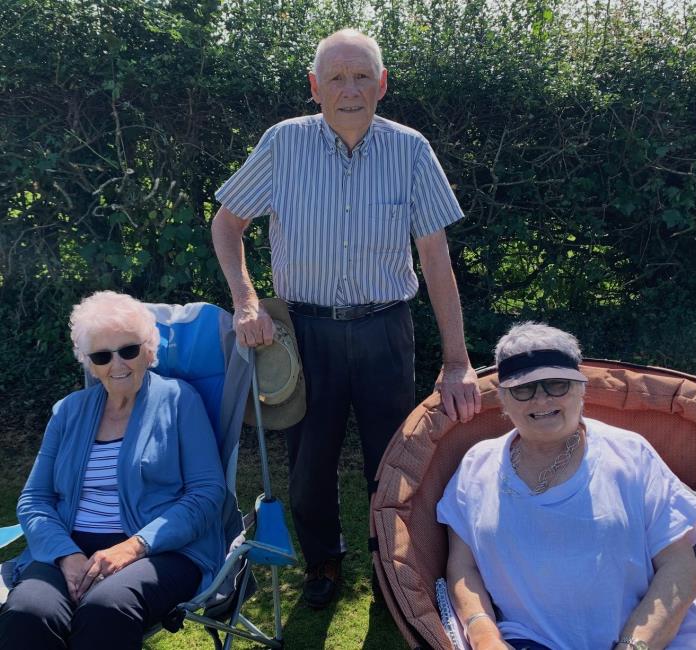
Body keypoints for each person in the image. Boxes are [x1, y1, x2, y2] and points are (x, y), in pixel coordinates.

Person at [211, 28, 481, 608]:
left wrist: (457, 361)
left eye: (362, 76)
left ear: (382, 84)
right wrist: (247, 300)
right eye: (336, 77)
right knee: (309, 466)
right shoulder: (283, 144)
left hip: (387, 329)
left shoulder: (411, 149)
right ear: (315, 87)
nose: (350, 89)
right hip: (304, 334)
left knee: (396, 461)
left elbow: (435, 258)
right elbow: (227, 224)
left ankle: (392, 570)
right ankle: (325, 564)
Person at [437, 321, 696, 650]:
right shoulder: (475, 465)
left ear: (582, 389)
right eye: (523, 388)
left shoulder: (631, 454)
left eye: (557, 384)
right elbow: (462, 567)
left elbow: (679, 568)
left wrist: (633, 646)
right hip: (530, 642)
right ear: (503, 399)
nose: (541, 399)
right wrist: (484, 635)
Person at [0, 291, 225, 650]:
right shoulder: (68, 411)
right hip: (70, 546)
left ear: (149, 349)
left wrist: (134, 547)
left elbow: (207, 492)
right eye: (103, 356)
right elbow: (34, 499)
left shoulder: (180, 400)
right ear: (90, 363)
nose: (117, 364)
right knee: (29, 612)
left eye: (129, 350)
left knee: (106, 608)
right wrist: (65, 553)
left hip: (159, 549)